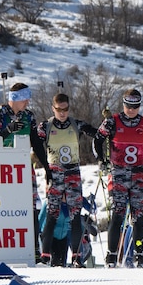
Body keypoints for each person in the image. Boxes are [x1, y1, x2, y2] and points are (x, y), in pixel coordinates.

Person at [94, 89, 143, 268]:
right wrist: (102, 160)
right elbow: (97, 140)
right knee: (118, 214)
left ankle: (139, 254)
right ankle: (112, 255)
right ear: (123, 104)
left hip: (138, 174)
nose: (131, 110)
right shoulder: (112, 122)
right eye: (128, 106)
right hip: (118, 172)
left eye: (135, 107)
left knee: (138, 218)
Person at [0, 82, 50, 263]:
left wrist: (46, 167)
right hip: (3, 168)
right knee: (4, 206)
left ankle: (35, 249)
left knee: (31, 205)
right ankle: (4, 247)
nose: (28, 101)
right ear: (15, 99)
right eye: (25, 98)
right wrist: (7, 130)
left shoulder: (28, 116)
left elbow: (36, 143)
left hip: (23, 166)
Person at [36, 93, 98, 267]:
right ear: (53, 108)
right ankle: (45, 256)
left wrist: (104, 139)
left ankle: (77, 257)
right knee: (52, 213)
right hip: (54, 172)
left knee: (75, 215)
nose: (62, 113)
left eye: (65, 109)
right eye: (59, 109)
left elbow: (97, 133)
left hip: (72, 172)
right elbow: (34, 141)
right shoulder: (46, 126)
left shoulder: (75, 124)